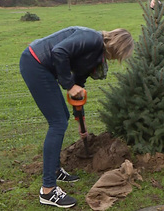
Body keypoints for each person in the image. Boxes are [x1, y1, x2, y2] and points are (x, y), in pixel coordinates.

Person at [19, 26, 134, 208]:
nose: (114, 60)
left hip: (43, 67)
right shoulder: (91, 39)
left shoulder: (95, 54)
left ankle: (55, 170)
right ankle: (48, 190)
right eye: (118, 56)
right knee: (57, 124)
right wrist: (69, 85)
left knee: (62, 117)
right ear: (117, 47)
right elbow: (59, 52)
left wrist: (81, 123)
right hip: (35, 63)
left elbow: (78, 84)